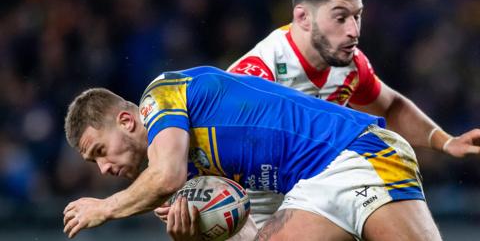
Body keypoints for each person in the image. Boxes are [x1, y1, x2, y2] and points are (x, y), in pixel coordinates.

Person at [223, 0, 480, 229]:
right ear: (303, 17)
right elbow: (209, 148)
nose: (353, 30)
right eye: (340, 18)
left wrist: (445, 142)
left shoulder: (350, 65)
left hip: (309, 203)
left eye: (357, 16)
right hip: (249, 220)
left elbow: (391, 106)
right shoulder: (256, 75)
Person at [63, 66, 442, 240]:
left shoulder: (159, 96)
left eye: (99, 151)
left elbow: (165, 177)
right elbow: (245, 231)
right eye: (93, 162)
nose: (103, 167)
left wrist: (105, 207)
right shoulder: (194, 175)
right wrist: (197, 236)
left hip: (357, 152)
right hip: (313, 187)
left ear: (128, 121)